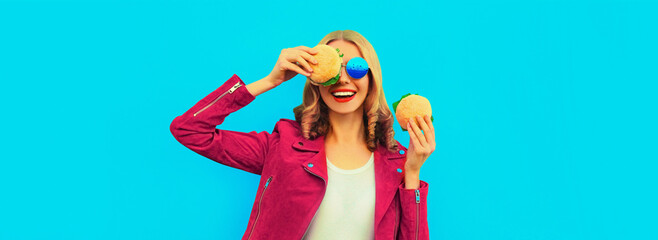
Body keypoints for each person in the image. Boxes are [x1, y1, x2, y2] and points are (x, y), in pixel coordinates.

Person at [170, 30, 434, 240]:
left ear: (372, 78)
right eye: (332, 71)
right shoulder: (282, 145)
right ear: (316, 81)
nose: (342, 80)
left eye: (355, 68)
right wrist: (270, 81)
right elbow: (189, 130)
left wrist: (412, 174)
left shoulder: (397, 160)